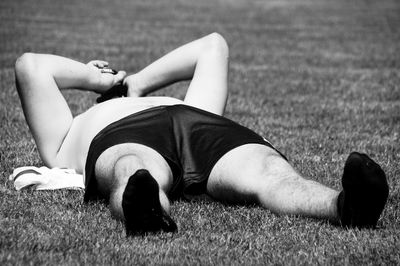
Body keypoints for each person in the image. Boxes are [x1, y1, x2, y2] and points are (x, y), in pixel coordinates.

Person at [14, 33, 389, 235]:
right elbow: (31, 67)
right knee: (133, 168)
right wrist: (94, 78)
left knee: (268, 171)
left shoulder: (174, 101)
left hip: (199, 122)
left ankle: (346, 207)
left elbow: (212, 45)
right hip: (121, 134)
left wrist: (138, 83)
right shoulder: (64, 140)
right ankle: (148, 213)